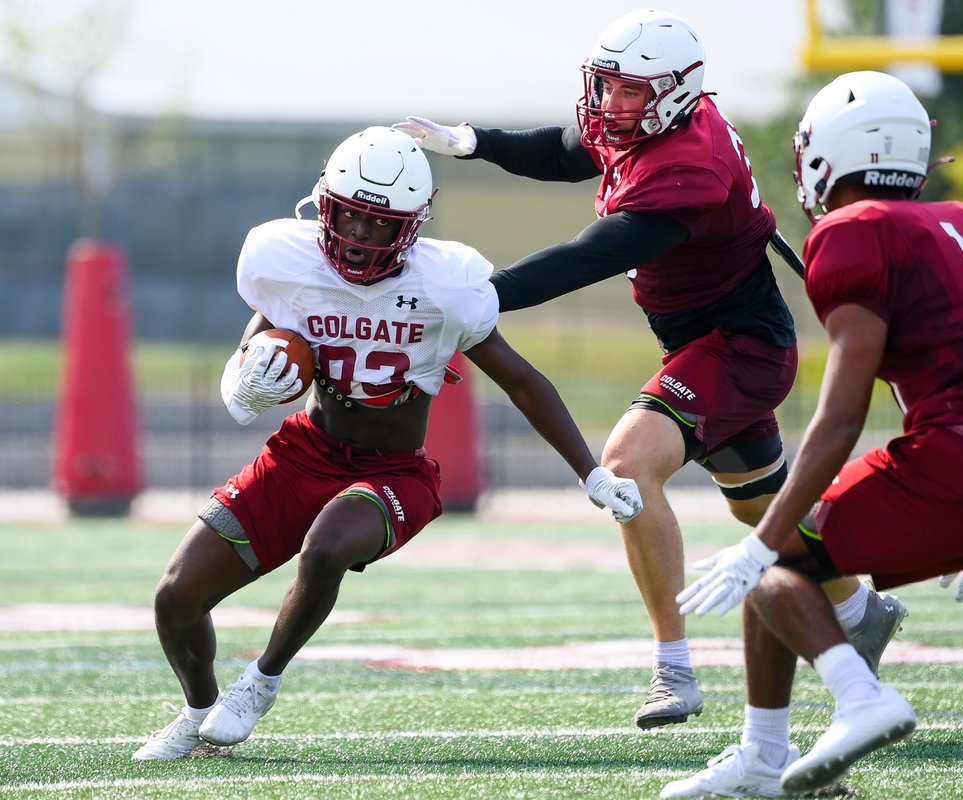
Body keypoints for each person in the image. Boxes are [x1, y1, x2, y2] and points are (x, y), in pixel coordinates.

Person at [395, 9, 907, 730]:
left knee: (629, 465)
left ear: (673, 93)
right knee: (759, 506)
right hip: (707, 338)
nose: (610, 104)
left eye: (628, 91)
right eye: (606, 86)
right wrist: (474, 142)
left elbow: (593, 252)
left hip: (740, 344)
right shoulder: (656, 121)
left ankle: (675, 670)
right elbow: (571, 148)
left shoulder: (689, 165)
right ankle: (859, 609)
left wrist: (486, 294)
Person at [131, 126, 643, 760]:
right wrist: (242, 377)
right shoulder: (285, 261)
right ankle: (199, 715)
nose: (361, 236)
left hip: (394, 471)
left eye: (381, 224)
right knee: (176, 596)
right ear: (325, 205)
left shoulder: (445, 285)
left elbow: (524, 381)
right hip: (304, 453)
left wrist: (591, 473)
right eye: (350, 216)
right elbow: (264, 328)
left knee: (327, 546)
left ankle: (259, 683)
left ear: (414, 225)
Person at [658, 70, 963, 798]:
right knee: (789, 555)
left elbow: (841, 416)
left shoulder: (853, 232)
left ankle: (858, 699)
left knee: (773, 553)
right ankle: (764, 759)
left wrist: (761, 539)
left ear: (829, 155)